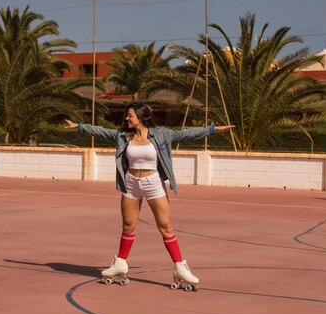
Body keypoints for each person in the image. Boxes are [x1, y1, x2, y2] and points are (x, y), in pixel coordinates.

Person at [65, 102, 234, 291]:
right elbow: (101, 131)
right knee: (128, 226)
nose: (127, 118)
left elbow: (185, 134)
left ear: (141, 116)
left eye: (130, 115)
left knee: (166, 226)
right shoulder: (122, 135)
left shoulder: (162, 134)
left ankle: (180, 267)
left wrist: (212, 130)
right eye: (127, 116)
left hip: (153, 183)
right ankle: (120, 263)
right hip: (131, 183)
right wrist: (79, 127)